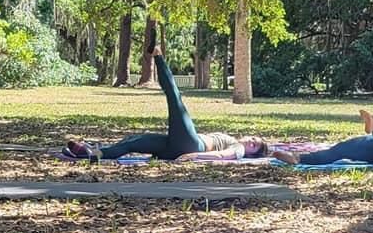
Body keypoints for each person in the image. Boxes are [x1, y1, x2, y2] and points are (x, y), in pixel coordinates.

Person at [67, 47, 269, 161]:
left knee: (175, 100)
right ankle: (94, 153)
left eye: (254, 146)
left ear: (252, 153)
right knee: (133, 142)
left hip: (191, 145)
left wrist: (193, 156)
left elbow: (222, 155)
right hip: (173, 148)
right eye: (253, 139)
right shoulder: (235, 138)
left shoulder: (238, 149)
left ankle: (158, 57)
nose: (251, 142)